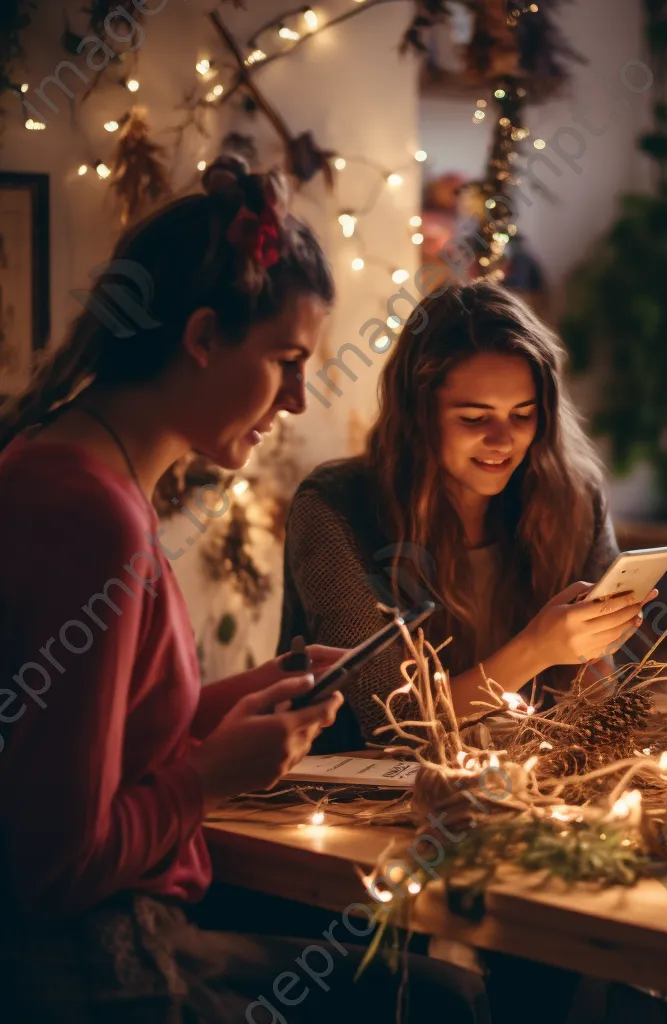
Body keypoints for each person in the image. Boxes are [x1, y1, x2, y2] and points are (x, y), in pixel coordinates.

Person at [0, 156, 488, 1023]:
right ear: (200, 338)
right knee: (437, 1000)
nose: (299, 399)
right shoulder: (94, 519)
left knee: (431, 985)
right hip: (94, 960)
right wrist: (211, 780)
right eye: (287, 360)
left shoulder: (59, 467)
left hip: (136, 929)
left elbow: (85, 740)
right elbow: (53, 868)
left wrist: (256, 689)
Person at [279, 280, 654, 751]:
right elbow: (392, 721)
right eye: (474, 419)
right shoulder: (336, 507)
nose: (502, 441)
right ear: (419, 415)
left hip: (529, 794)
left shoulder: (571, 499)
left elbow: (598, 700)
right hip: (350, 800)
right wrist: (537, 648)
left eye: (523, 415)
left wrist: (595, 654)